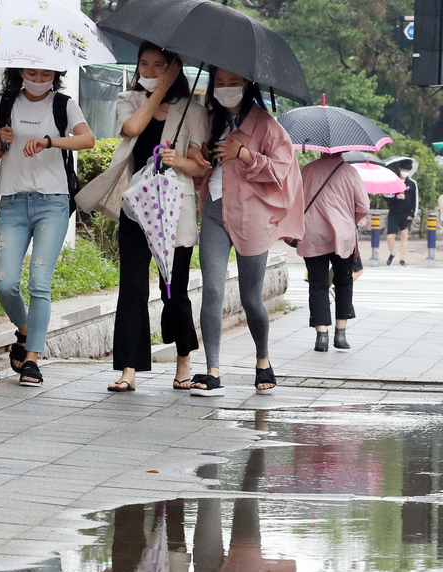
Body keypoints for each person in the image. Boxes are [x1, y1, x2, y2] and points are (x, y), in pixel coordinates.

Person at [75, 43, 208, 393]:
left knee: (174, 289)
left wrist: (177, 160)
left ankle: (183, 362)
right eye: (144, 65)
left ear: (175, 67)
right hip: (137, 209)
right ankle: (128, 370)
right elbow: (132, 129)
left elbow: (199, 164)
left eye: (159, 66)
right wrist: (160, 89)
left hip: (175, 210)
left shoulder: (192, 110)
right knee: (132, 288)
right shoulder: (129, 100)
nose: (149, 72)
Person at [188, 68, 303, 396]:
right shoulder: (211, 121)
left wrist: (245, 154)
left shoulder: (266, 125)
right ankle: (212, 370)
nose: (225, 88)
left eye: (233, 82)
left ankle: (263, 359)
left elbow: (282, 170)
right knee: (211, 290)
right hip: (213, 211)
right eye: (219, 83)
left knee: (252, 298)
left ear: (247, 84)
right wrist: (204, 156)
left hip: (252, 217)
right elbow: (200, 162)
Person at [0, 68, 95, 387]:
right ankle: (24, 329)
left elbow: (87, 139)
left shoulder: (64, 104)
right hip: (13, 202)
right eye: (31, 71)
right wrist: (3, 143)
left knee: (39, 282)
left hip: (54, 203)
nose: (37, 77)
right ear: (20, 71)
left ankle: (32, 359)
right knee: (4, 283)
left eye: (44, 72)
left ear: (54, 73)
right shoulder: (4, 103)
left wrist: (50, 142)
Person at [296, 153, 369, 351]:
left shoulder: (307, 170)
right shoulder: (350, 172)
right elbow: (363, 206)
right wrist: (345, 216)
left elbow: (295, 201)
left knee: (317, 284)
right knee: (343, 282)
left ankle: (321, 336)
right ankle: (341, 334)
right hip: (342, 236)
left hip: (312, 233)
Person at [386, 159, 417, 266]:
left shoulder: (412, 183)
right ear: (400, 169)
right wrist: (396, 196)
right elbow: (386, 196)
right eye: (404, 169)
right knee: (390, 236)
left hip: (406, 213)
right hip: (394, 213)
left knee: (404, 235)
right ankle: (392, 253)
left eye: (407, 170)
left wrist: (413, 213)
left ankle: (402, 258)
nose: (405, 172)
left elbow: (415, 199)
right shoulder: (393, 182)